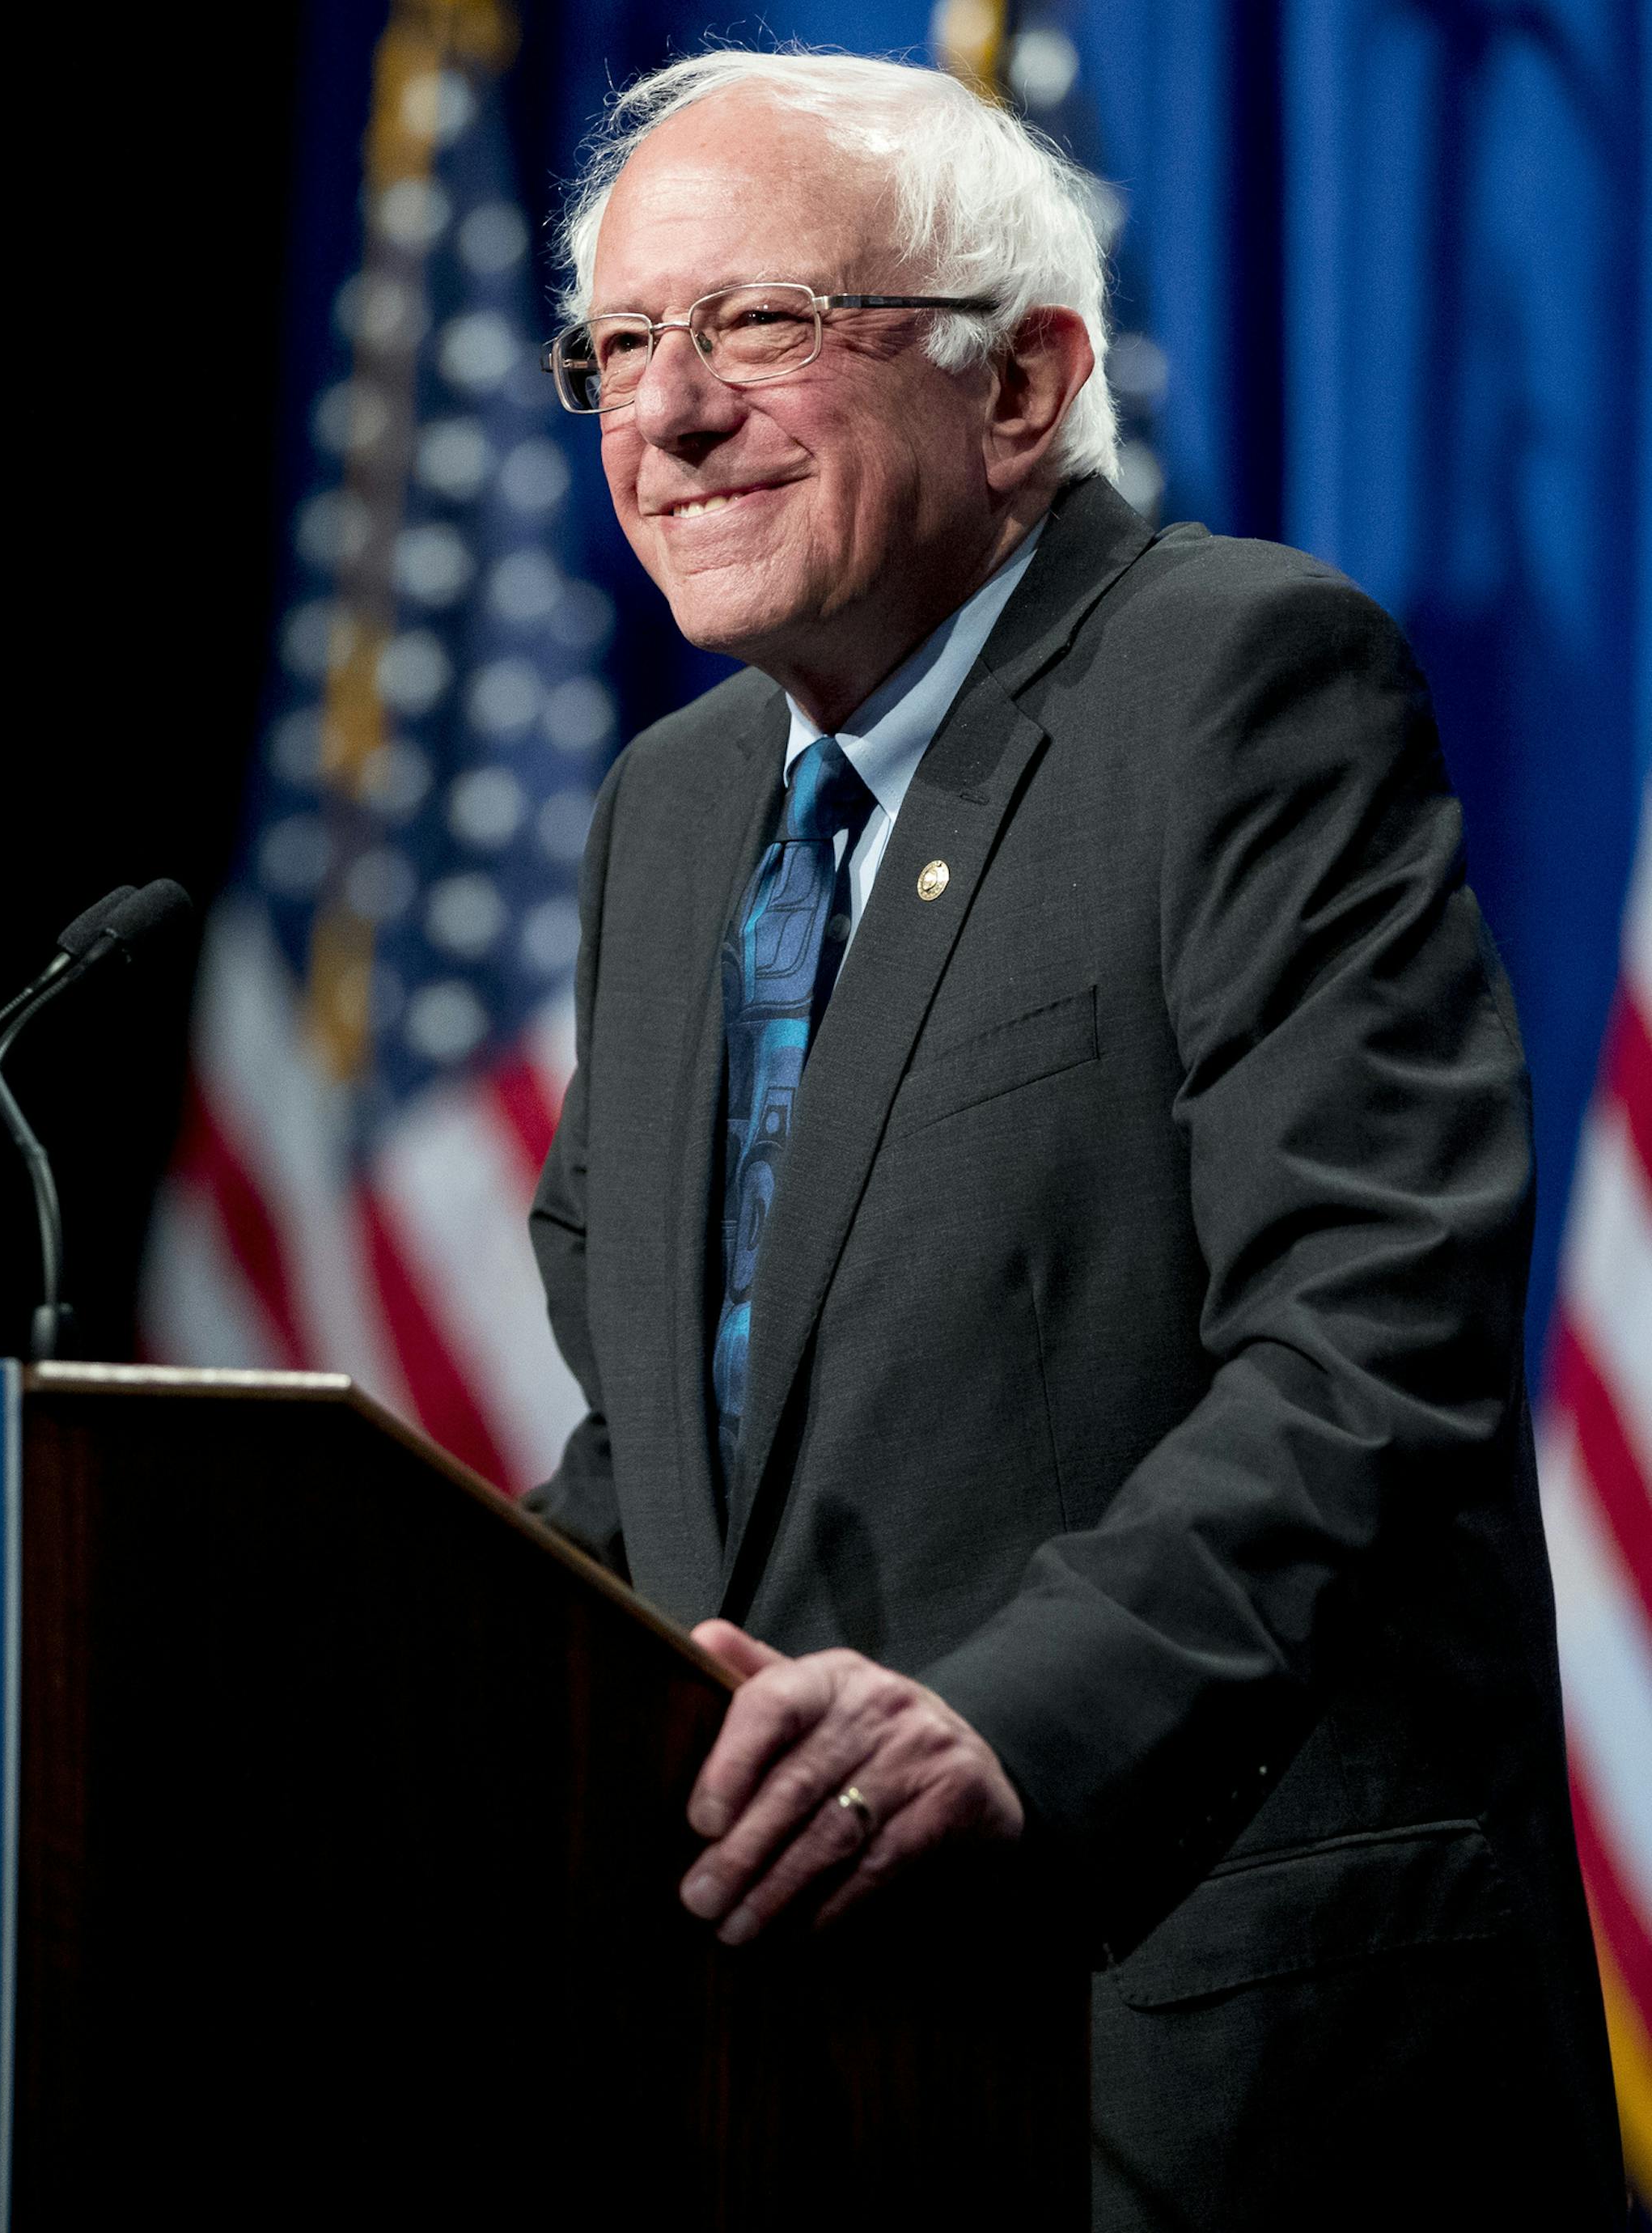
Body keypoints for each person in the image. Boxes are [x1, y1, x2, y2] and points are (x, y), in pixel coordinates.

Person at [524, 47, 1622, 2227]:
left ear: (1020, 386)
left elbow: (1367, 1333)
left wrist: (1011, 1724)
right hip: (808, 2066)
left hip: (1212, 2056)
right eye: (623, 345)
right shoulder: (672, 816)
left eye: (754, 324)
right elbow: (670, 1456)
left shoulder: (1232, 684)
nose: (668, 413)